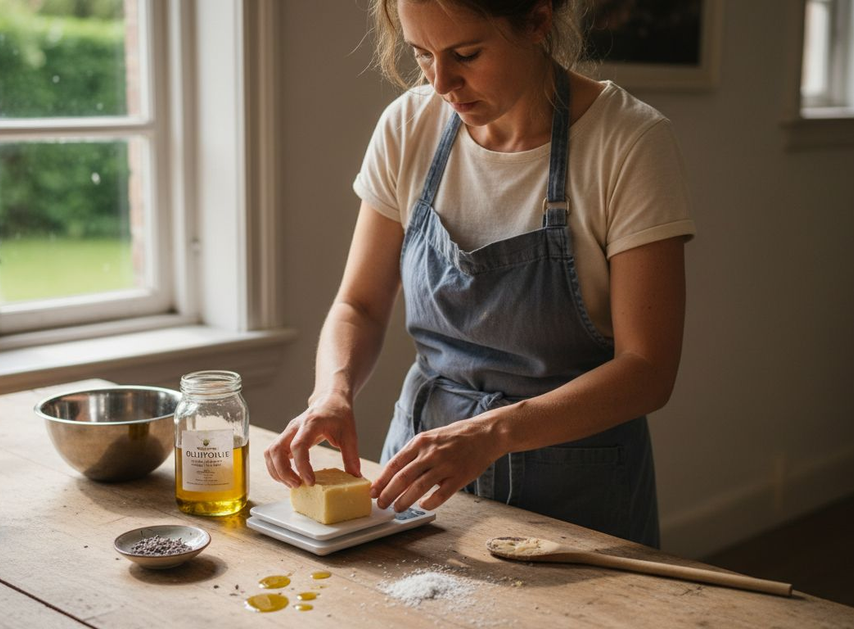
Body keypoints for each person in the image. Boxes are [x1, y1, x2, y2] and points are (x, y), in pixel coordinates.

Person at [264, 0, 694, 548]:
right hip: (422, 477)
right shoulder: (408, 126)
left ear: (538, 20)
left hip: (578, 488)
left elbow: (648, 369)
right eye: (422, 55)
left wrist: (494, 433)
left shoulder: (628, 143)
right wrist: (333, 391)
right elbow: (360, 306)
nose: (442, 82)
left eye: (465, 53)